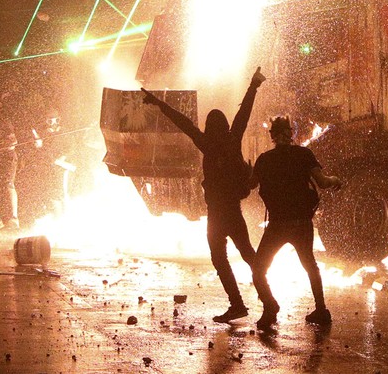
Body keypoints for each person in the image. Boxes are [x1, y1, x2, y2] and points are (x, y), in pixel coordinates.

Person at [141, 67, 266, 323]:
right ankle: (269, 302)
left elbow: (183, 122)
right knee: (249, 256)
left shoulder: (207, 144)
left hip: (217, 215)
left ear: (210, 127)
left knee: (220, 260)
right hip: (233, 211)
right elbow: (243, 114)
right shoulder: (232, 140)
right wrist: (253, 86)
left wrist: (158, 103)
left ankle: (238, 304)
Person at [251, 116, 343, 329]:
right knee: (309, 265)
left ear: (272, 136)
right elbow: (322, 182)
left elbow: (249, 185)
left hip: (277, 224)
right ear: (290, 133)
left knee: (258, 269)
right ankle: (321, 310)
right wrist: (336, 180)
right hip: (301, 222)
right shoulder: (304, 155)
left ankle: (270, 307)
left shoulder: (264, 160)